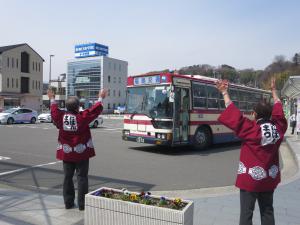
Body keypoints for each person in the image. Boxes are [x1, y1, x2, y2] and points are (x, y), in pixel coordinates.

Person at [215, 78, 287, 225]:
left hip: (250, 180)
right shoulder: (278, 129)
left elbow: (233, 113)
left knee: (246, 214)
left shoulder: (252, 129)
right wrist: (274, 91)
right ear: (270, 114)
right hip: (269, 179)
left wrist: (224, 92)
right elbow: (279, 111)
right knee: (267, 211)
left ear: (254, 114)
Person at [47, 88, 107, 211]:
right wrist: (101, 97)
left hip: (66, 152)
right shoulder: (82, 117)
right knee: (82, 177)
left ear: (67, 106)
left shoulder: (60, 117)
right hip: (81, 153)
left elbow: (54, 111)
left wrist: (52, 98)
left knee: (67, 177)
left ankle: (68, 203)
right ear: (77, 107)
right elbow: (94, 110)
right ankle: (82, 204)